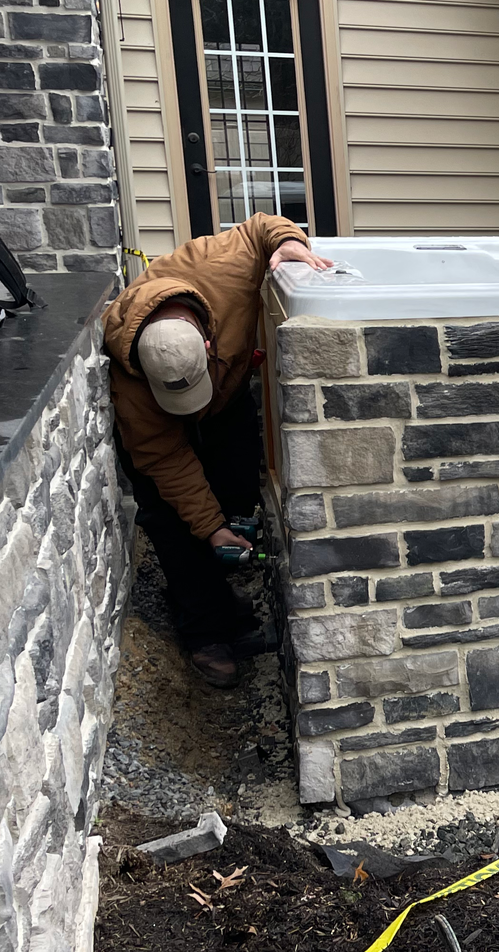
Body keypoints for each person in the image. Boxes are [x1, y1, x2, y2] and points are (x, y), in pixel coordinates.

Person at [104, 213, 333, 686]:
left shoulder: (220, 264)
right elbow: (168, 462)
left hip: (226, 395)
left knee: (234, 488)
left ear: (207, 342)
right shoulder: (133, 389)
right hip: (163, 439)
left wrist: (290, 242)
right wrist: (208, 529)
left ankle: (223, 594)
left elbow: (262, 227)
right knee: (175, 525)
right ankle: (204, 631)